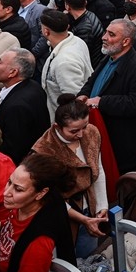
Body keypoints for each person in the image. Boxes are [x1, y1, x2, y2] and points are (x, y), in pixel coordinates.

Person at [79, 19, 136, 174]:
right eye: (106, 32)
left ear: (126, 41)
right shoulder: (109, 56)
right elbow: (93, 79)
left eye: (111, 34)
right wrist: (83, 95)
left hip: (123, 144)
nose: (104, 37)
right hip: (102, 133)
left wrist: (102, 102)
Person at [32, 95, 108, 241]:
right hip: (62, 215)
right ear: (57, 127)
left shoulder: (91, 132)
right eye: (73, 131)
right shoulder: (44, 150)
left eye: (84, 126)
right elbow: (48, 196)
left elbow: (98, 169)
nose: (81, 134)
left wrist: (102, 206)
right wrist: (82, 219)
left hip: (90, 209)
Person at [0, 49, 49, 163]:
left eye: (0, 62)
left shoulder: (17, 107)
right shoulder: (33, 86)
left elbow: (13, 150)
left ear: (13, 72)